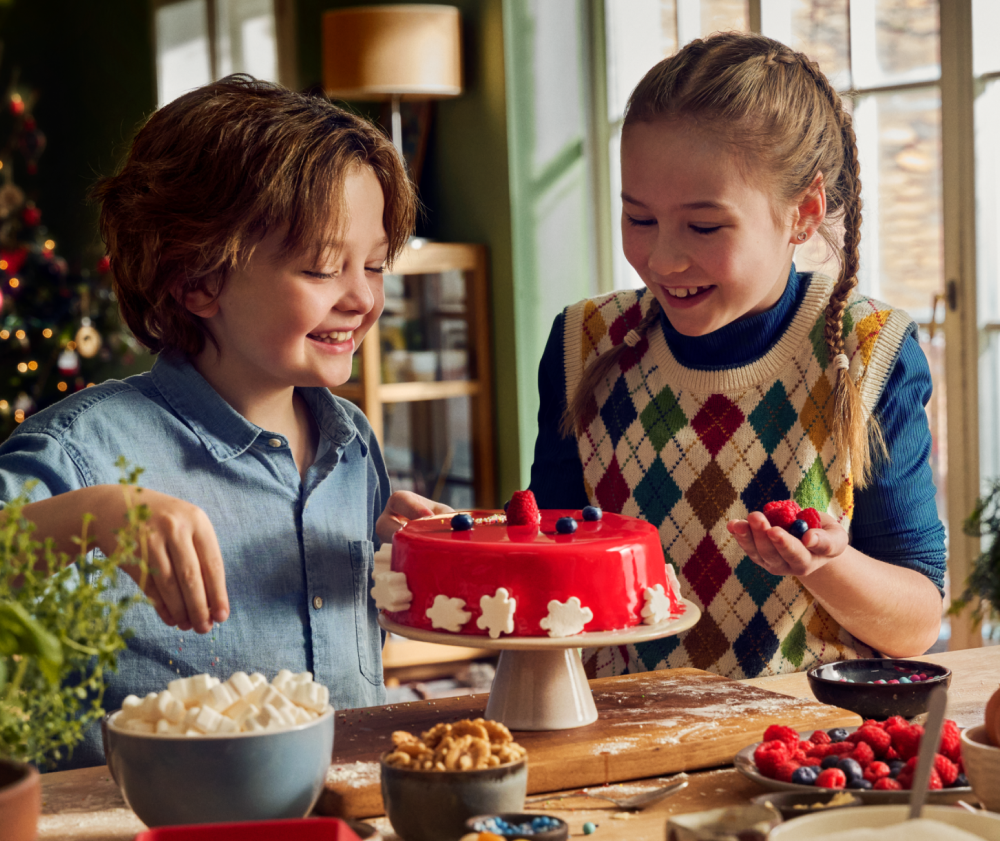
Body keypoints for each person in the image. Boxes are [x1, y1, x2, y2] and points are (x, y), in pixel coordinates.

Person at [0, 76, 445, 766]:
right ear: (198, 280)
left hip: (344, 824)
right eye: (324, 268)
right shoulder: (84, 454)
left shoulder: (350, 440)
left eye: (376, 265)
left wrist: (401, 557)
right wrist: (93, 515)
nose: (362, 297)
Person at [529, 33, 946, 679]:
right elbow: (550, 570)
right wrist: (476, 539)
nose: (662, 259)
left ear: (803, 213)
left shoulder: (869, 354)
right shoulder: (583, 344)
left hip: (807, 752)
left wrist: (827, 564)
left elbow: (916, 625)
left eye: (703, 226)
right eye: (639, 218)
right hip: (624, 742)